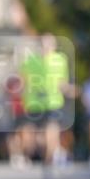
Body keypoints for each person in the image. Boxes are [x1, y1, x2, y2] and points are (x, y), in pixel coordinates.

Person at [20, 34, 72, 171]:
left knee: (51, 132)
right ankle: (50, 154)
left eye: (49, 45)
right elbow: (22, 81)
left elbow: (63, 81)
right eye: (43, 45)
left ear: (54, 46)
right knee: (37, 138)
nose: (46, 48)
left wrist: (67, 89)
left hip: (53, 102)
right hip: (34, 103)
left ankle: (50, 160)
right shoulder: (30, 61)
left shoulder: (60, 60)